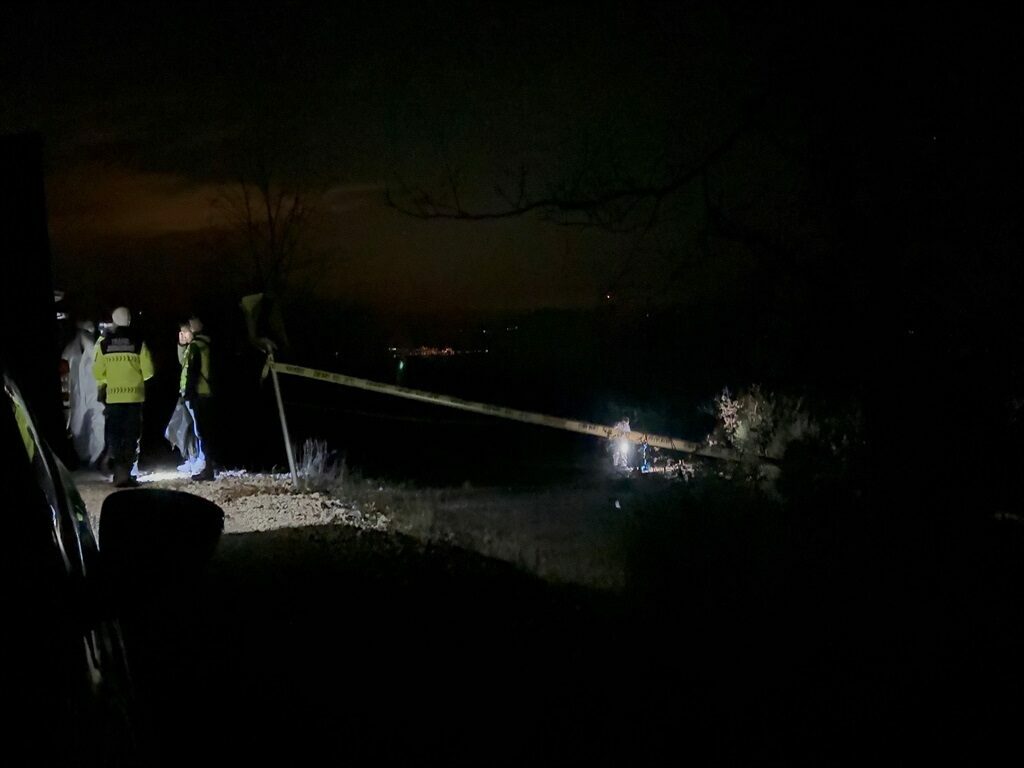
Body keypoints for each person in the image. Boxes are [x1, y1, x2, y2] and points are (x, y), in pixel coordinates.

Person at [93, 306, 153, 487]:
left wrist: (111, 378)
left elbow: (97, 372)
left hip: (114, 399)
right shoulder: (138, 342)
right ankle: (126, 474)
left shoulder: (104, 343)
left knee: (115, 435)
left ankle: (118, 473)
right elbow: (149, 371)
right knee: (131, 437)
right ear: (129, 320)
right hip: (134, 398)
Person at [60, 319, 105, 469]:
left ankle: (94, 459)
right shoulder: (69, 351)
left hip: (94, 395)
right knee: (78, 427)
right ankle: (85, 458)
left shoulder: (97, 349)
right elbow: (65, 377)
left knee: (98, 426)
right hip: (77, 396)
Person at [179, 316, 215, 481]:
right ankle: (208, 466)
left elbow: (192, 371)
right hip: (208, 391)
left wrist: (189, 394)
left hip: (199, 393)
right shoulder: (207, 344)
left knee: (202, 432)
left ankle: (207, 469)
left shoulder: (195, 346)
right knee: (205, 431)